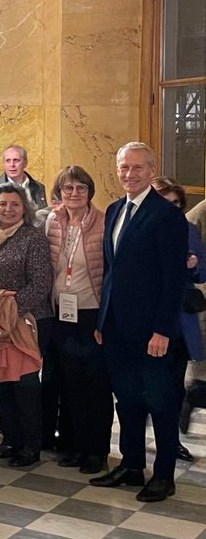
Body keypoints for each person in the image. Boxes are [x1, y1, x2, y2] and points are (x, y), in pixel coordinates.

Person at [91, 144, 188, 502]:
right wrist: (103, 319)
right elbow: (112, 272)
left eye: (136, 168)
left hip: (153, 331)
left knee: (160, 402)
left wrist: (163, 330)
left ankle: (163, 475)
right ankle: (132, 466)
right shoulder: (115, 210)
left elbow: (173, 278)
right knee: (127, 399)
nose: (129, 174)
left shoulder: (166, 216)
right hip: (117, 326)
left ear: (151, 170)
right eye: (123, 168)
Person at [0, 183, 53, 469]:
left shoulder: (33, 238)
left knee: (24, 386)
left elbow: (41, 283)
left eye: (14, 204)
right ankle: (9, 438)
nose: (8, 209)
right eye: (2, 204)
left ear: (24, 208)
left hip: (24, 321)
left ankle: (29, 445)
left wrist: (9, 310)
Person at [43, 166, 110, 475]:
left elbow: (109, 272)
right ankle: (73, 446)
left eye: (80, 188)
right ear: (60, 192)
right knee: (69, 385)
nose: (73, 193)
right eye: (68, 188)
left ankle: (96, 451)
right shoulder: (52, 222)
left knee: (95, 386)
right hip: (61, 313)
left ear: (89, 192)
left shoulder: (104, 222)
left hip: (91, 313)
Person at [151, 176, 203, 465]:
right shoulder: (142, 229)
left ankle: (170, 444)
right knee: (148, 388)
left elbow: (202, 274)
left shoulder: (189, 230)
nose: (171, 209)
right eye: (164, 202)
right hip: (149, 318)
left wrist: (194, 266)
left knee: (173, 387)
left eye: (176, 204)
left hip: (180, 322)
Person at [0, 144, 48, 209]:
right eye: (8, 161)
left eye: (16, 160)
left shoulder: (39, 187)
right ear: (4, 164)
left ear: (25, 163)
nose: (12, 165)